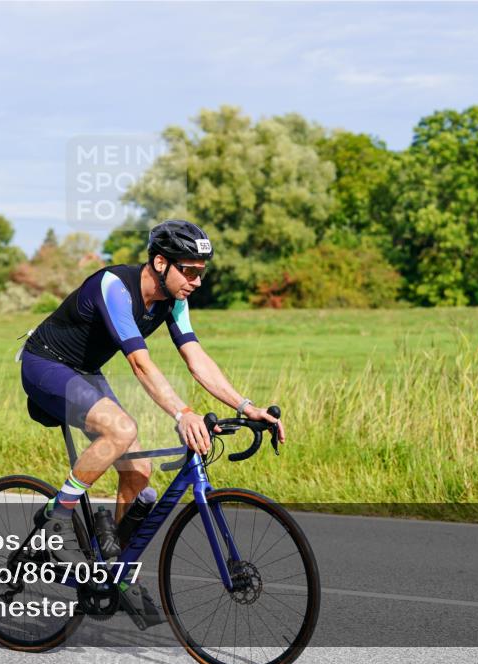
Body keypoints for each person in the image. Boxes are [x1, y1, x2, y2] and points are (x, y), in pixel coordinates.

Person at [19, 219, 285, 619]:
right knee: (122, 429)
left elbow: (196, 358)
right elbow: (140, 364)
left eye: (202, 271)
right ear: (161, 263)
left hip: (85, 372)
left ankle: (114, 572)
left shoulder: (175, 301)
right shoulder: (114, 287)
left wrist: (246, 406)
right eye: (189, 270)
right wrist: (182, 411)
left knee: (140, 472)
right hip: (45, 364)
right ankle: (59, 517)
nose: (196, 280)